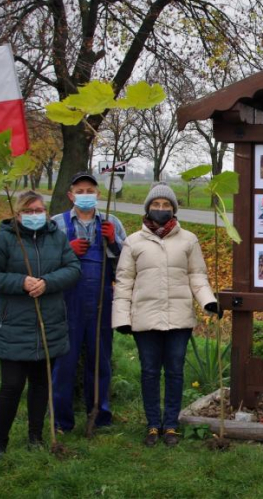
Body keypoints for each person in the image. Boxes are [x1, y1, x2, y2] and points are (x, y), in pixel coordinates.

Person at [112, 183, 220, 447]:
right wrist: (122, 318)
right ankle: (153, 424)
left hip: (178, 317)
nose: (161, 209)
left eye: (166, 205)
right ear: (148, 208)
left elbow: (197, 276)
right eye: (156, 204)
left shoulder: (188, 240)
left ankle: (171, 424)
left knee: (174, 371)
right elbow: (124, 281)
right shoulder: (133, 242)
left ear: (173, 209)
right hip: (145, 318)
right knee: (149, 371)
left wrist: (208, 301)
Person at [0, 191, 81, 461]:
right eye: (29, 211)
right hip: (14, 325)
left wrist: (47, 282)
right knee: (11, 386)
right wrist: (20, 282)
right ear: (18, 214)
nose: (35, 215)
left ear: (46, 212)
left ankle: (36, 437)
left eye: (39, 210)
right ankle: (0, 444)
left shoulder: (57, 237)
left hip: (49, 324)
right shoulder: (5, 239)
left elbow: (73, 269)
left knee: (41, 384)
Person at [51, 171, 127, 433]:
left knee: (100, 361)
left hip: (101, 302)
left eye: (90, 191)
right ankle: (61, 421)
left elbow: (128, 264)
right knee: (64, 362)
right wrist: (66, 251)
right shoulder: (56, 224)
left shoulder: (111, 222)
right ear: (70, 195)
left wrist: (113, 242)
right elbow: (44, 263)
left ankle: (99, 416)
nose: (85, 195)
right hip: (66, 303)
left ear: (98, 194)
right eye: (80, 191)